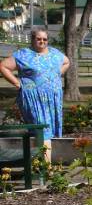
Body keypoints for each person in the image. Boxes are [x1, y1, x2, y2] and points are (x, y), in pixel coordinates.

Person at [0, 28, 70, 162]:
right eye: (39, 39)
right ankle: (46, 169)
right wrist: (17, 83)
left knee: (46, 132)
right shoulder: (23, 55)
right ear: (33, 40)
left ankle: (38, 164)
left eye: (45, 39)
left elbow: (67, 62)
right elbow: (3, 66)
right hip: (34, 100)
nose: (42, 41)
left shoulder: (55, 53)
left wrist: (56, 74)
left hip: (52, 100)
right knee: (43, 131)